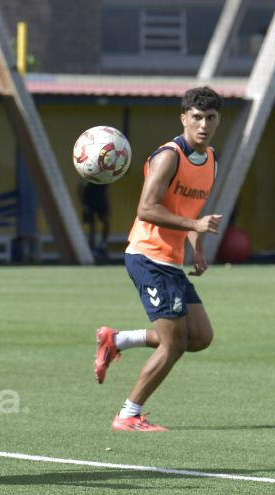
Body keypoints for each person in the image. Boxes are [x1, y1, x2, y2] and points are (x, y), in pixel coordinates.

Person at [93, 86, 223, 432]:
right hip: (148, 257)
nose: (203, 125)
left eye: (210, 118)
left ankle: (116, 340)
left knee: (200, 336)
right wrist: (194, 225)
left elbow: (188, 210)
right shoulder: (170, 156)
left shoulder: (211, 160)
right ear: (184, 118)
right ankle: (128, 414)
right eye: (196, 117)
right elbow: (147, 209)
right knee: (175, 343)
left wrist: (196, 244)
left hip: (171, 260)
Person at [80, 181, 110, 261]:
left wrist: (107, 203)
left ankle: (102, 245)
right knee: (92, 226)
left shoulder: (106, 175)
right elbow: (81, 189)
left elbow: (106, 190)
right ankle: (91, 250)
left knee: (106, 222)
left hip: (101, 201)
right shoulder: (89, 175)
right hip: (90, 201)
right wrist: (84, 205)